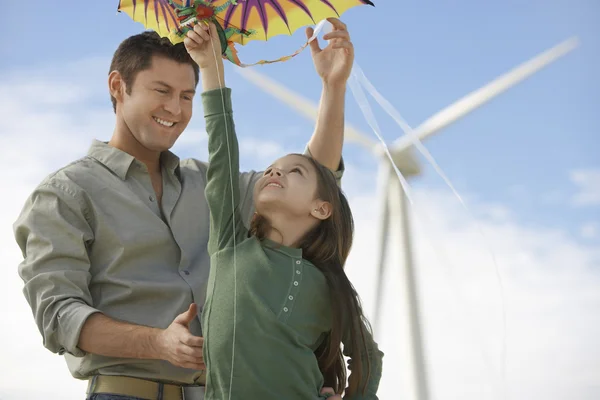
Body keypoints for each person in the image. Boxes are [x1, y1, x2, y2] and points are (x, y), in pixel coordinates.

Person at [13, 14, 357, 400]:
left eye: (187, 96)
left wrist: (333, 86)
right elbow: (59, 316)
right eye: (161, 91)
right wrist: (157, 343)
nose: (175, 109)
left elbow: (310, 187)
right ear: (117, 86)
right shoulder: (65, 194)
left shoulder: (209, 185)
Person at [185, 21, 383, 399]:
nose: (276, 170)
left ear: (322, 208)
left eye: (296, 171)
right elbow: (222, 146)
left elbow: (368, 356)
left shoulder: (327, 285)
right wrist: (211, 68)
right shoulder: (229, 245)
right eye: (274, 167)